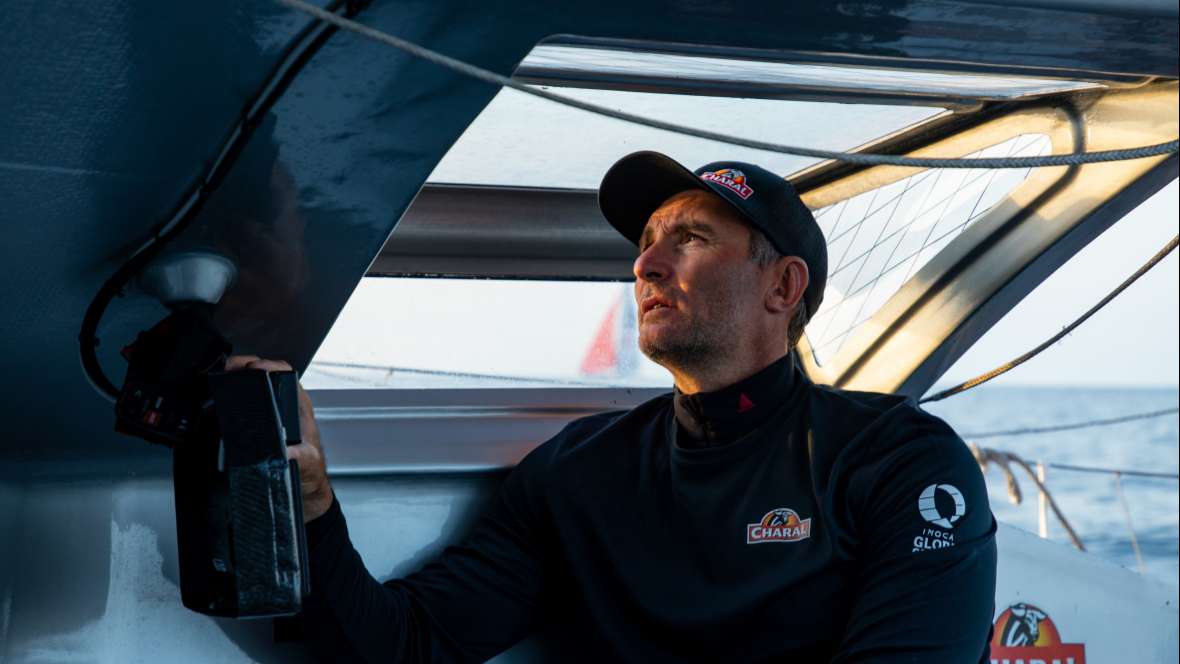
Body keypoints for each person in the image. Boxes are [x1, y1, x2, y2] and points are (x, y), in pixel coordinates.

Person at [229, 151, 997, 662]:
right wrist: (310, 511)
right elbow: (403, 645)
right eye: (648, 241)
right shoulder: (577, 472)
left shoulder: (896, 461)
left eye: (691, 238)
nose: (647, 261)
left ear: (783, 288)